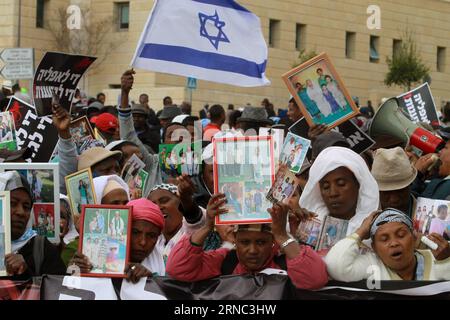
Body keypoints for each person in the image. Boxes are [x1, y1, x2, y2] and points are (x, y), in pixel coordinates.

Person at [166, 194, 328, 289]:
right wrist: (207, 226)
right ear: (235, 240)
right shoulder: (226, 260)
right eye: (244, 242)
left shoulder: (286, 260)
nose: (252, 250)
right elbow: (177, 269)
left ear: (272, 241)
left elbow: (316, 278)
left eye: (261, 243)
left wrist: (282, 236)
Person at [325, 209, 450, 281]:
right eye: (384, 239)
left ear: (413, 238)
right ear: (374, 248)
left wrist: (445, 261)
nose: (394, 243)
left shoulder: (437, 257)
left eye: (401, 235)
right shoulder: (373, 265)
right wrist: (361, 232)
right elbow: (335, 266)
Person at [299, 147, 379, 236]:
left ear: (358, 184)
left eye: (341, 184)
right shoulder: (307, 228)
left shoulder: (378, 229)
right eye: (326, 187)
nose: (333, 193)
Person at [1, 171, 66, 278]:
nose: (21, 212)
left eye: (26, 207)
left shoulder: (42, 249)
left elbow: (58, 290)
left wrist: (26, 272)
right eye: (12, 203)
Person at [148, 182, 205, 264]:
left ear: (180, 202)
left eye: (164, 201)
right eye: (153, 205)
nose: (159, 207)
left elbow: (196, 218)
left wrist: (186, 199)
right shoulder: (150, 241)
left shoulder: (195, 230)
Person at [371, 147, 418, 218]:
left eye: (400, 190)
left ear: (410, 184)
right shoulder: (363, 214)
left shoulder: (426, 213)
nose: (394, 199)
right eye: (386, 192)